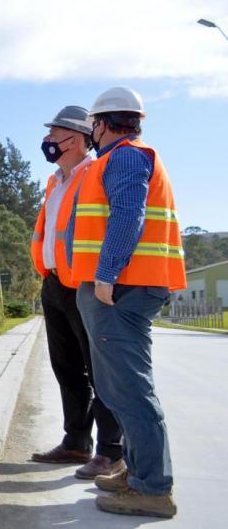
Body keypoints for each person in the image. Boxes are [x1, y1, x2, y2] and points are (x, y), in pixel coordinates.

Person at [69, 87, 186, 519]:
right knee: (118, 388)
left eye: (92, 126)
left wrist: (105, 275)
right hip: (126, 287)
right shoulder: (123, 157)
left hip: (123, 289)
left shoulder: (125, 157)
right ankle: (138, 473)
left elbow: (127, 214)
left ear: (101, 124)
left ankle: (153, 488)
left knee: (131, 390)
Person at [28, 106, 124, 479]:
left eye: (54, 135)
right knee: (66, 367)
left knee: (101, 370)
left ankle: (111, 450)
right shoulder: (55, 181)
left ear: (77, 139)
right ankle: (76, 442)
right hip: (54, 282)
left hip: (85, 283)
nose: (48, 142)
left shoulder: (96, 172)